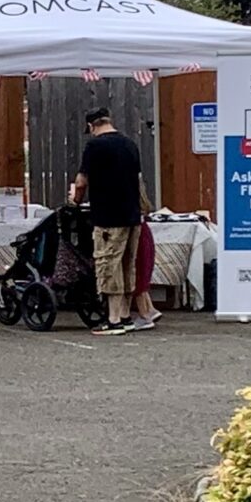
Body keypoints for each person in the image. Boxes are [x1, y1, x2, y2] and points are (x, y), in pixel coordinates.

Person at [70, 106, 148, 336]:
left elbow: (82, 180)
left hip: (108, 217)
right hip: (133, 217)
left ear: (91, 126)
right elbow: (139, 181)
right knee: (127, 265)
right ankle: (125, 316)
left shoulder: (95, 146)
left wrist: (75, 200)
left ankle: (113, 320)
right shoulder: (130, 144)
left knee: (108, 265)